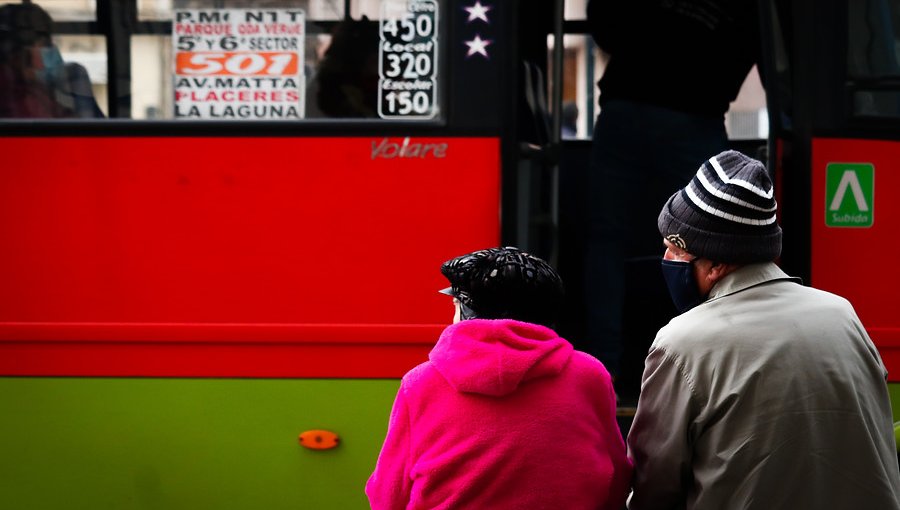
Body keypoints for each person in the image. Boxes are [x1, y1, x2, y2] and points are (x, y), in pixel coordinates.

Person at [626, 150, 900, 509]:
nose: (666, 261)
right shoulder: (843, 314)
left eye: (675, 250)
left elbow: (654, 490)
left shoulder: (682, 343)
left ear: (717, 263)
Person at [366, 246, 632, 509]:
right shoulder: (589, 374)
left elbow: (388, 495)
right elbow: (617, 479)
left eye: (455, 304)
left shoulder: (420, 383)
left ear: (466, 312)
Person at [583, 0, 760, 392]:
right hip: (696, 112)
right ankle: (694, 369)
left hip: (626, 105)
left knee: (607, 241)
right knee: (707, 242)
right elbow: (755, 45)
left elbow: (604, 23)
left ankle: (601, 372)